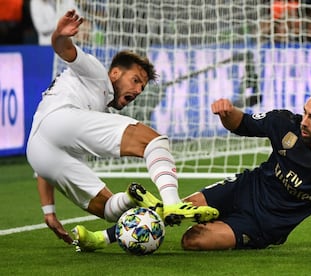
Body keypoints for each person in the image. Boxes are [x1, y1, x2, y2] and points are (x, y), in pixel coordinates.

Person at [75, 86, 311, 253]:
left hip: (266, 224)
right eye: (306, 112)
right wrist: (227, 113)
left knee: (191, 241)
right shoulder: (285, 123)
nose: (305, 121)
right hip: (243, 188)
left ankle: (205, 220)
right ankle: (102, 238)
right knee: (173, 209)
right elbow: (244, 124)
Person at [26, 9, 218, 249]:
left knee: (108, 208)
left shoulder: (97, 111)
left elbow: (44, 161)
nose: (138, 90)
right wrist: (59, 34)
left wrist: (48, 210)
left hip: (37, 151)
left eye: (142, 87)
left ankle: (132, 196)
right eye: (135, 80)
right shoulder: (97, 74)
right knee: (154, 142)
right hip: (60, 119)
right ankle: (172, 202)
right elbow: (65, 49)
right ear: (115, 73)